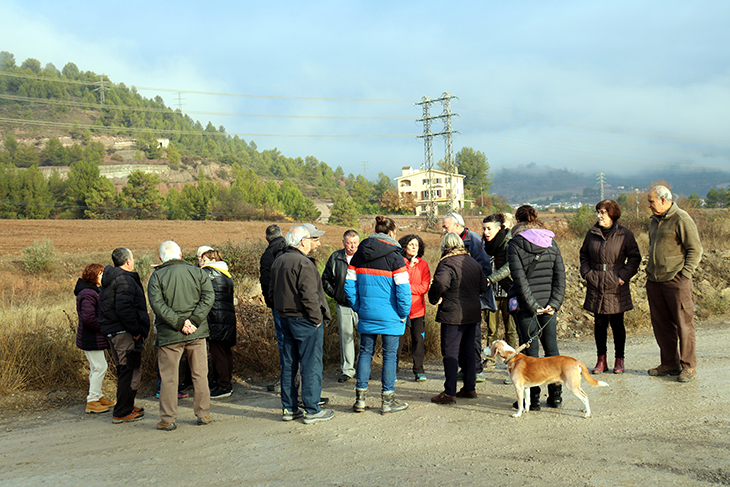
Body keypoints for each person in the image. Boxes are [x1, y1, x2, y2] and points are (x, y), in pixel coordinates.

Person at [345, 216, 411, 415]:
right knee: (390, 356)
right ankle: (387, 401)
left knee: (365, 352)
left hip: (367, 312)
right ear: (392, 233)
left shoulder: (358, 255)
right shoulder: (395, 257)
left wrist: (359, 307)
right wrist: (403, 313)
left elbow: (348, 286)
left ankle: (360, 400)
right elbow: (403, 291)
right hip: (391, 316)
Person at [269, 226, 334, 424]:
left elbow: (271, 293)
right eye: (311, 239)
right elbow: (309, 296)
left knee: (289, 364)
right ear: (303, 241)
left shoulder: (278, 261)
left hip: (285, 319)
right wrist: (316, 319)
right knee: (310, 364)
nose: (314, 243)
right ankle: (312, 410)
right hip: (304, 320)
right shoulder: (303, 263)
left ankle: (289, 408)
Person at [148, 241, 215, 431]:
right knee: (200, 374)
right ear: (180, 255)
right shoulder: (197, 272)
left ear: (161, 258)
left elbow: (157, 305)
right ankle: (204, 414)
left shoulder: (157, 276)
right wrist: (193, 321)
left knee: (169, 377)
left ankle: (168, 419)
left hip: (170, 334)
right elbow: (208, 297)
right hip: (197, 332)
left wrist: (179, 323)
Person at [507, 205, 566, 410]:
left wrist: (532, 306)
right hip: (549, 306)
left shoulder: (515, 245)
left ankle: (533, 400)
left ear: (517, 222)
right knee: (552, 350)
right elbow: (560, 277)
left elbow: (520, 280)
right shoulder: (551, 242)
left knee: (530, 354)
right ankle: (556, 396)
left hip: (526, 307)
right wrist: (554, 304)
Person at [645, 185, 703, 382]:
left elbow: (695, 250)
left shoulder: (682, 219)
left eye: (651, 201)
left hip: (676, 281)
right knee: (662, 325)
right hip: (655, 280)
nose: (649, 205)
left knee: (683, 324)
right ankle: (670, 364)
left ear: (663, 200)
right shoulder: (654, 220)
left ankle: (689, 366)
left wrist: (684, 275)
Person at [580, 200, 641, 374]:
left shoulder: (624, 234)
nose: (599, 216)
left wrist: (622, 276)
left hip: (616, 284)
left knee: (617, 324)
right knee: (599, 324)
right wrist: (587, 274)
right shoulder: (591, 233)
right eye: (598, 212)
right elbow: (583, 255)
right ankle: (601, 361)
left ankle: (619, 360)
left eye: (603, 212)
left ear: (612, 214)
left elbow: (635, 258)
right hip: (596, 283)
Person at [428, 233, 488, 404]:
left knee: (450, 352)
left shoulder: (447, 263)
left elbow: (440, 283)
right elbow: (483, 285)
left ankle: (449, 392)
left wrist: (434, 298)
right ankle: (470, 387)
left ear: (445, 247)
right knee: (469, 351)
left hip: (452, 314)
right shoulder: (473, 262)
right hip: (472, 313)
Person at [99, 247, 150, 424]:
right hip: (125, 333)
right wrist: (136, 330)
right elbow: (124, 308)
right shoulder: (123, 280)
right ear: (128, 261)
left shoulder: (110, 279)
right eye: (133, 258)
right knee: (129, 371)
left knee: (125, 369)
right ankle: (122, 412)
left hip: (113, 331)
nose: (133, 261)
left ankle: (127, 405)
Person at [442, 212, 493, 382]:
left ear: (457, 226)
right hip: (457, 297)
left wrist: (475, 291)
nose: (443, 230)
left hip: (472, 296)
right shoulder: (450, 243)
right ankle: (465, 369)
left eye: (445, 226)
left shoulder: (475, 242)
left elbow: (485, 269)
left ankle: (476, 369)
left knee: (473, 335)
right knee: (461, 335)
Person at [75, 263, 116, 414]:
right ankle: (92, 400)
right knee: (100, 367)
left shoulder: (91, 291)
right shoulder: (88, 293)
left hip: (92, 337)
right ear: (94, 276)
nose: (103, 277)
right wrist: (104, 325)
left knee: (95, 367)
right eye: (101, 274)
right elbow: (88, 318)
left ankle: (98, 396)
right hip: (91, 337)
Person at [322, 229, 360, 383]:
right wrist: (336, 294)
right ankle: (347, 370)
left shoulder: (363, 258)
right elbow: (325, 279)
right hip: (343, 305)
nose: (352, 246)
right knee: (346, 338)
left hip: (361, 305)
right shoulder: (335, 257)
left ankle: (363, 369)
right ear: (343, 242)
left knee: (363, 338)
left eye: (355, 243)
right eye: (349, 243)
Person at [200, 248, 237, 399]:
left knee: (218, 354)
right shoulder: (225, 274)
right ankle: (227, 382)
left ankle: (224, 386)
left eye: (204, 260)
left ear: (212, 260)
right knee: (225, 352)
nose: (200, 263)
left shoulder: (208, 272)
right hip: (226, 318)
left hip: (215, 319)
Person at [396, 234, 430, 382]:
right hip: (400, 309)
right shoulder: (399, 262)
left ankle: (418, 370)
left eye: (416, 244)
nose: (414, 247)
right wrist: (409, 266)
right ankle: (393, 371)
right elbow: (398, 283)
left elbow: (424, 287)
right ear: (404, 247)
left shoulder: (424, 265)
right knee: (397, 342)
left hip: (417, 309)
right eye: (411, 244)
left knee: (418, 340)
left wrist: (407, 288)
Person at [482, 214, 518, 352]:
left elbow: (510, 267)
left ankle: (512, 359)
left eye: (489, 229)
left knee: (511, 329)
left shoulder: (509, 243)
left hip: (509, 291)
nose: (486, 232)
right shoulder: (485, 244)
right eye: (484, 229)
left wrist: (491, 278)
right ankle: (490, 358)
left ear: (498, 229)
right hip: (491, 293)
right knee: (491, 329)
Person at [259, 224, 287, 392]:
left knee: (283, 342)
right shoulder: (291, 249)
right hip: (295, 305)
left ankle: (286, 378)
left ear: (267, 239)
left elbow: (265, 282)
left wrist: (271, 303)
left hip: (278, 305)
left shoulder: (267, 255)